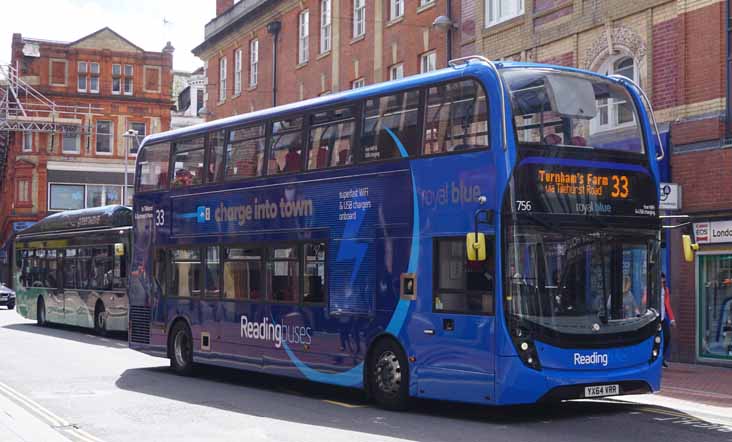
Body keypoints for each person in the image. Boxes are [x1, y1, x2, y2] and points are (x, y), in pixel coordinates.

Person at [660, 273, 676, 367]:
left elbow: (667, 305)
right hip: (654, 319)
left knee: (667, 336)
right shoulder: (652, 288)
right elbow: (644, 301)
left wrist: (672, 319)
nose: (662, 281)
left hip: (662, 319)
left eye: (663, 280)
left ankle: (661, 358)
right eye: (661, 280)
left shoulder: (665, 290)